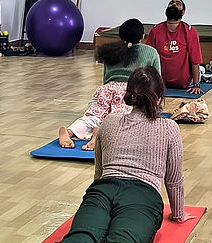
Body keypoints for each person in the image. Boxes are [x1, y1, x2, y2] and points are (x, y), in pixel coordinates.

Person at [28, 67, 192, 243]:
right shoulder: (168, 128)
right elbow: (174, 178)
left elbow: (100, 170)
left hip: (103, 189)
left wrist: (98, 195)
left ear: (128, 95)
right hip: (142, 196)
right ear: (159, 98)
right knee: (126, 240)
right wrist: (178, 213)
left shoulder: (109, 121)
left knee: (84, 236)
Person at [59, 18, 160, 149]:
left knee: (94, 115)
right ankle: (99, 134)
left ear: (121, 35)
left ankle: (69, 131)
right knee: (121, 118)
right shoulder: (151, 52)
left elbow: (106, 78)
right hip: (130, 91)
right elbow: (156, 80)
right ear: (142, 36)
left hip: (106, 89)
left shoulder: (111, 50)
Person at [146, 0, 203, 94]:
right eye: (171, 3)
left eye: (178, 4)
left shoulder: (190, 31)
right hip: (160, 83)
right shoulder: (155, 31)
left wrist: (196, 85)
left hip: (185, 83)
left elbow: (195, 60)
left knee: (200, 70)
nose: (174, 5)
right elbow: (148, 58)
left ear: (183, 12)